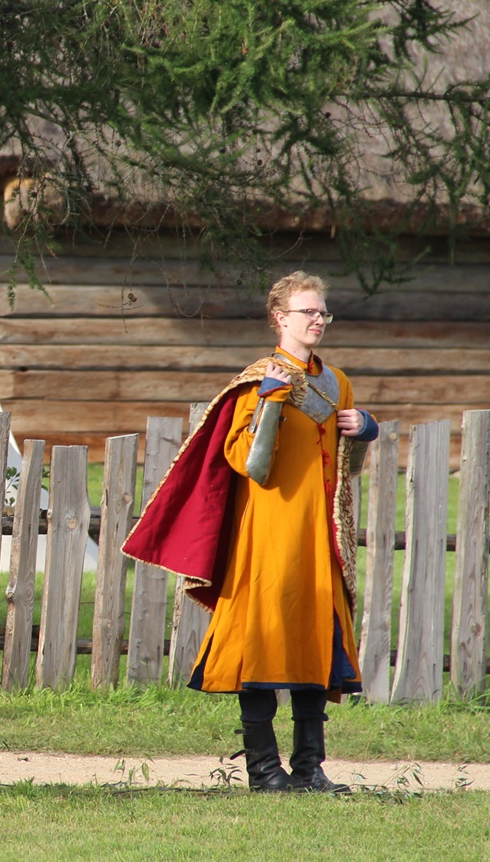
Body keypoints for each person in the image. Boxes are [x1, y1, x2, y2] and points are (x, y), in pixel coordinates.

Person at [123, 270, 380, 794]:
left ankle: (309, 768)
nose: (318, 320)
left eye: (323, 312)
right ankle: (264, 771)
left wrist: (362, 433)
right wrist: (271, 403)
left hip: (320, 537)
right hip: (269, 534)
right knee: (262, 645)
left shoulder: (337, 382)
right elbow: (250, 465)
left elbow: (344, 468)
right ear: (280, 318)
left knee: (318, 647)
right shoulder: (256, 381)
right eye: (308, 311)